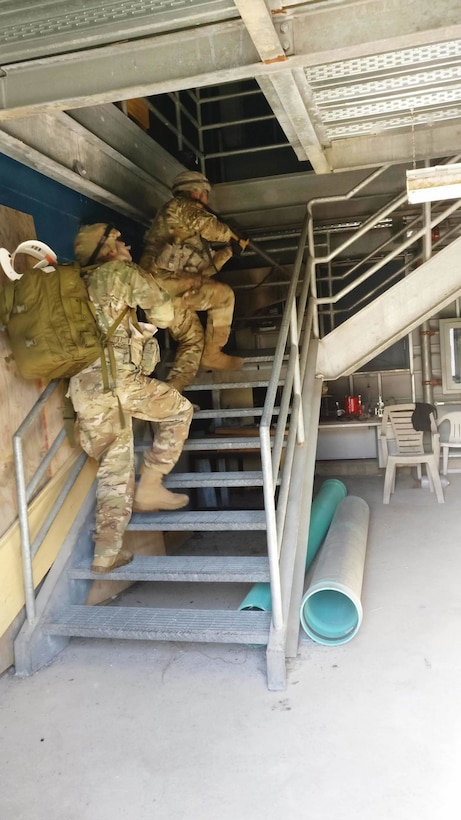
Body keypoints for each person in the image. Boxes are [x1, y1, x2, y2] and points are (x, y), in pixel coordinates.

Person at [69, 223, 194, 573]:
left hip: (85, 391)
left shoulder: (73, 284)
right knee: (180, 411)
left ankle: (106, 553)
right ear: (106, 249)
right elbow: (164, 313)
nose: (125, 244)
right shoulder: (119, 272)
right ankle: (152, 483)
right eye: (117, 240)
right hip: (120, 382)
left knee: (114, 471)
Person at [139, 170, 248, 393]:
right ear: (197, 193)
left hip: (169, 293)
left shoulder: (187, 231)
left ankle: (170, 396)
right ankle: (213, 354)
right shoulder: (179, 206)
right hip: (164, 283)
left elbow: (204, 272)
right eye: (206, 195)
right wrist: (231, 234)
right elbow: (211, 228)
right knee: (224, 296)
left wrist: (230, 250)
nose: (207, 201)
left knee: (193, 341)